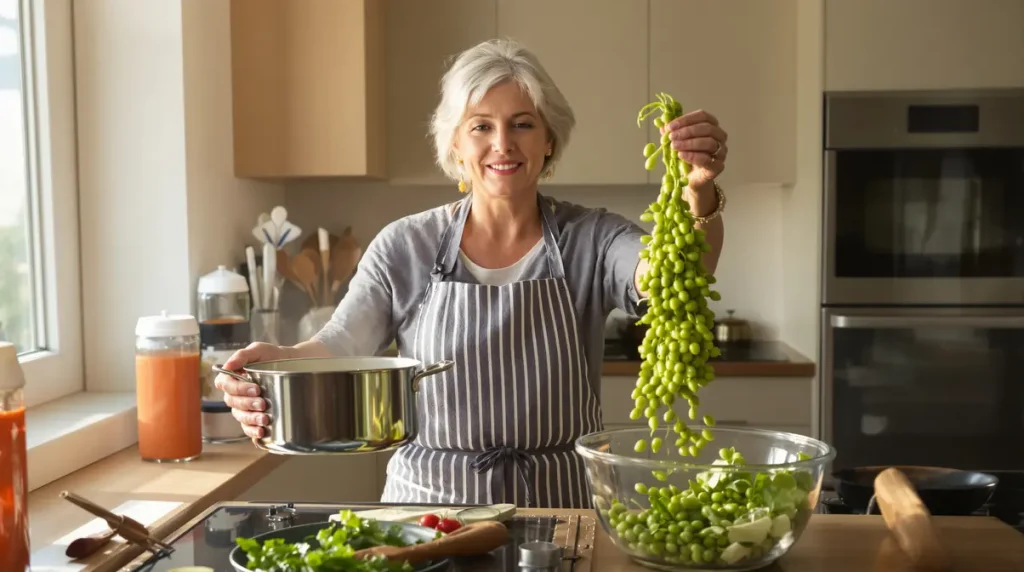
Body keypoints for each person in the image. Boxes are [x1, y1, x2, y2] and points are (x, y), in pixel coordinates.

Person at [216, 38, 728, 509]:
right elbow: (341, 345)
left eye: (522, 123)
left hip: (559, 507)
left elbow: (673, 276)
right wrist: (276, 363)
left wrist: (697, 193)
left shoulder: (590, 238)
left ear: (549, 140)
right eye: (481, 126)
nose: (502, 143)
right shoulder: (405, 245)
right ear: (456, 146)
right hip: (429, 510)